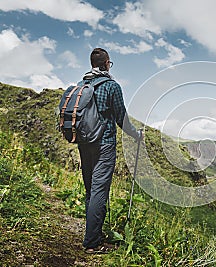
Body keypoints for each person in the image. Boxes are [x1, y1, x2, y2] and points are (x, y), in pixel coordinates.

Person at [77, 48, 142, 254]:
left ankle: (93, 233)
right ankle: (92, 243)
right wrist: (136, 135)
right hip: (104, 145)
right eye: (109, 63)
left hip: (84, 143)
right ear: (106, 63)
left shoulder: (82, 85)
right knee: (99, 191)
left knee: (91, 190)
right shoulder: (112, 86)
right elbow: (121, 118)